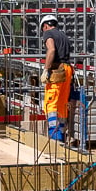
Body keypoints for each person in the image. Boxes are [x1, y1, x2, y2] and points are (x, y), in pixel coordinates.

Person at [38, 14, 73, 142]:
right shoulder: (63, 35)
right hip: (68, 69)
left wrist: (46, 70)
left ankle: (54, 138)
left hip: (57, 70)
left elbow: (51, 50)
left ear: (45, 25)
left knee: (50, 103)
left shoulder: (48, 33)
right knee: (62, 104)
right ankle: (61, 137)